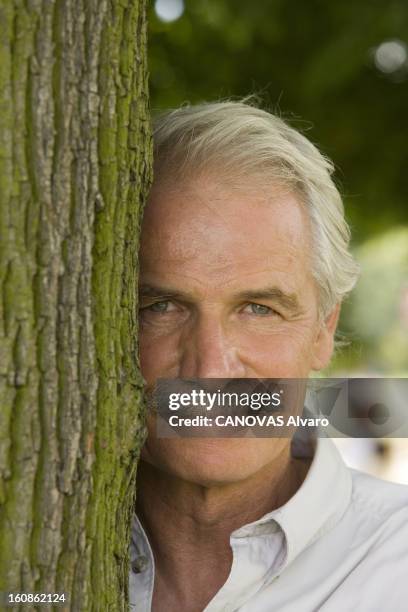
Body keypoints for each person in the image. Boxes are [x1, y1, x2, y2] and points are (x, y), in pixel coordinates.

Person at [129, 101, 408, 612]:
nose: (211, 370)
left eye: (259, 309)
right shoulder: (33, 556)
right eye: (161, 306)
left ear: (324, 327)